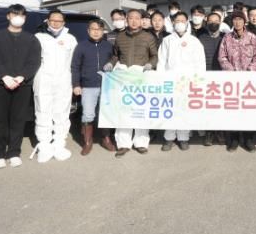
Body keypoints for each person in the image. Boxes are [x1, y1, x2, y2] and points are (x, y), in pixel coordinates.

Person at [0, 4, 41, 169]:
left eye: (22, 15)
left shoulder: (31, 39)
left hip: (22, 84)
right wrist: (4, 76)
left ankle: (14, 152)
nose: (18, 18)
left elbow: (34, 61)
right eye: (15, 14)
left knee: (18, 120)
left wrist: (22, 76)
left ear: (25, 18)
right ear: (8, 16)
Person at [104, 9, 158, 157]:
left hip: (141, 78)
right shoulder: (120, 37)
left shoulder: (148, 37)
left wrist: (150, 65)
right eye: (131, 18)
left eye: (137, 18)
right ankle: (123, 144)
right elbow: (116, 56)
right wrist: (110, 64)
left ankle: (141, 143)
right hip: (123, 79)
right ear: (127, 20)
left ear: (141, 20)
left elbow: (154, 56)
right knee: (123, 110)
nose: (134, 21)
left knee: (140, 110)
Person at [32, 10, 78, 163]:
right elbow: (32, 60)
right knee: (42, 112)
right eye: (53, 20)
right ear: (47, 21)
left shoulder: (70, 39)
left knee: (62, 114)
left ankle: (59, 145)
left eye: (59, 21)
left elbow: (73, 62)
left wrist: (73, 80)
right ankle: (44, 146)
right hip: (43, 80)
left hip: (63, 80)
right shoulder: (39, 37)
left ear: (64, 23)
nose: (55, 23)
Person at [158, 11, 207, 151]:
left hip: (188, 82)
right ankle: (169, 138)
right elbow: (161, 61)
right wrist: (161, 79)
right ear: (173, 22)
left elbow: (200, 63)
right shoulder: (167, 40)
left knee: (185, 109)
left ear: (187, 23)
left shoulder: (194, 41)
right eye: (177, 21)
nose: (180, 23)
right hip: (170, 81)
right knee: (170, 110)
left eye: (182, 21)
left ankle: (183, 137)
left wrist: (197, 80)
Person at [218, 11, 256, 152]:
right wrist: (231, 71)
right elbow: (222, 57)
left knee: (248, 110)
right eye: (235, 19)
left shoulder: (252, 37)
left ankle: (248, 139)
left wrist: (250, 71)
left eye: (240, 19)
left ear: (244, 21)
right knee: (233, 110)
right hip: (232, 81)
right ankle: (234, 139)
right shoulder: (227, 38)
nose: (237, 22)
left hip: (249, 82)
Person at [71, 19, 115, 155]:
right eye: (93, 29)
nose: (96, 32)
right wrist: (76, 84)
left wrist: (111, 63)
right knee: (88, 114)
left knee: (105, 113)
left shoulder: (108, 46)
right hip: (88, 86)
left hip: (106, 86)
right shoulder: (81, 46)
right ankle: (87, 142)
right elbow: (75, 66)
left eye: (99, 29)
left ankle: (106, 139)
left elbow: (115, 59)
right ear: (88, 30)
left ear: (103, 31)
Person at [197, 12, 226, 146]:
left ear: (220, 22)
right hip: (206, 76)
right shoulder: (200, 38)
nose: (213, 23)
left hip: (221, 76)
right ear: (206, 22)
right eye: (210, 21)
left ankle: (219, 132)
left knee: (220, 106)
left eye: (216, 21)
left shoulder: (225, 37)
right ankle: (209, 132)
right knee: (207, 106)